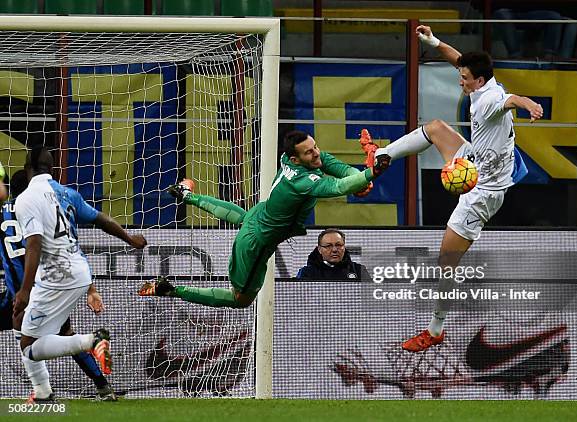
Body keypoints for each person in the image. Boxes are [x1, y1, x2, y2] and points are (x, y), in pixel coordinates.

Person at [367, 25, 543, 352]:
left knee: (447, 262)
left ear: (478, 81)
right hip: (475, 162)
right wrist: (432, 41)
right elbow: (458, 59)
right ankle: (381, 156)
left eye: (463, 78)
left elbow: (510, 101)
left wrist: (529, 104)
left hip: (483, 193)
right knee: (435, 128)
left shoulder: (489, 99)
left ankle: (435, 329)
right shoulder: (481, 82)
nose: (459, 80)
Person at [138, 130, 389, 308]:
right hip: (256, 243)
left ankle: (187, 195)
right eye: (309, 152)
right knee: (241, 300)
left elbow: (339, 169)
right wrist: (371, 173)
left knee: (244, 216)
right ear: (295, 159)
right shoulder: (303, 182)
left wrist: (362, 178)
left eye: (315, 147)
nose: (316, 154)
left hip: (260, 215)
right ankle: (170, 290)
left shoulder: (294, 159)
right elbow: (337, 187)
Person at [12, 147, 147, 401]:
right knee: (22, 325)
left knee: (29, 347)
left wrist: (25, 290)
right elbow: (101, 219)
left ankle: (91, 341)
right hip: (80, 275)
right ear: (52, 168)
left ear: (27, 165)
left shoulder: (26, 198)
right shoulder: (68, 194)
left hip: (55, 278)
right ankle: (43, 392)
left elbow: (34, 243)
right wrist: (129, 238)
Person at [0, 170, 118, 402]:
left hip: (24, 291)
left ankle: (45, 389)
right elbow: (67, 247)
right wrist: (91, 289)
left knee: (32, 339)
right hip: (49, 285)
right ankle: (101, 386)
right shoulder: (45, 209)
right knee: (60, 334)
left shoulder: (6, 212)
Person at [296, 228, 369, 280]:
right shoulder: (307, 273)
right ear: (319, 249)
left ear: (344, 247)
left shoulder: (359, 270)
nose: (334, 250)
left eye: (338, 245)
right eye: (328, 246)